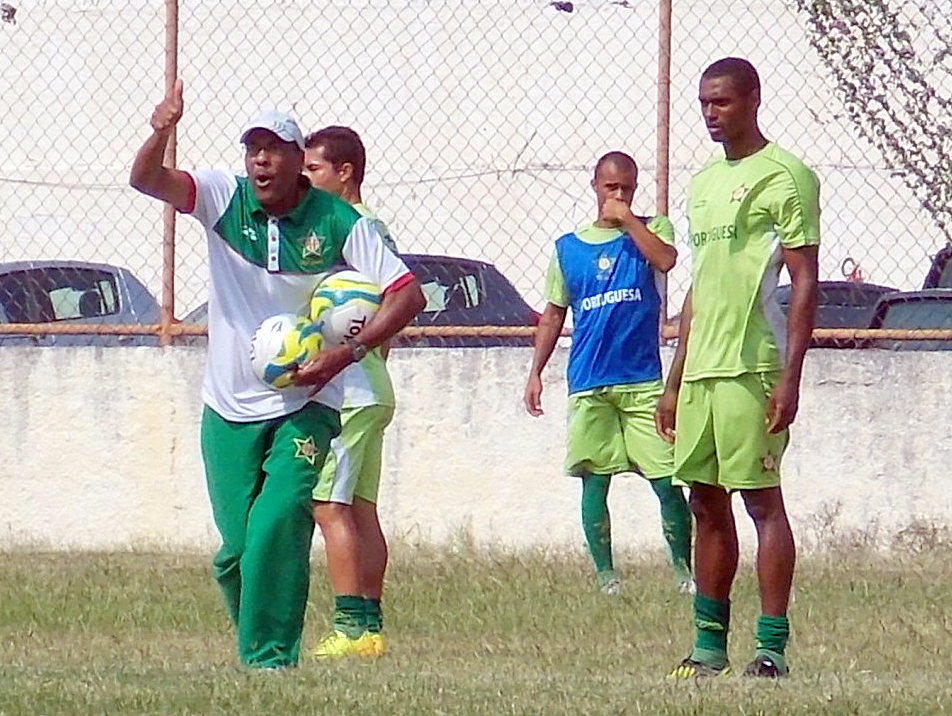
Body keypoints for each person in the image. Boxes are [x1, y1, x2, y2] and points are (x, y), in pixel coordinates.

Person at [129, 80, 425, 670]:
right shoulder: (221, 197)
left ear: (298, 162)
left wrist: (344, 354)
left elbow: (408, 294)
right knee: (238, 553)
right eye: (252, 149)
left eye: (275, 149)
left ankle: (270, 661)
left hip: (305, 404)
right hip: (227, 405)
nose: (261, 160)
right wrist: (161, 129)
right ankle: (257, 643)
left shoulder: (338, 221)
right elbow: (146, 180)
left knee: (278, 524)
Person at [656, 57, 820, 679]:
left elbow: (804, 280)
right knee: (703, 500)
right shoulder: (701, 184)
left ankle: (771, 648)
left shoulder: (787, 176)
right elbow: (699, 285)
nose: (710, 113)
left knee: (762, 501)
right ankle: (707, 647)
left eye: (721, 102)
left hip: (754, 366)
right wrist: (674, 380)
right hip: (701, 368)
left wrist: (791, 375)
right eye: (703, 103)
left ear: (753, 98)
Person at [523, 151, 694, 596]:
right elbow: (553, 313)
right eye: (611, 188)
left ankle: (683, 572)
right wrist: (536, 371)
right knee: (594, 479)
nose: (618, 196)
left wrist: (629, 221)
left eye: (627, 189)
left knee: (666, 478)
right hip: (589, 380)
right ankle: (606, 576)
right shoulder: (569, 248)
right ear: (595, 186)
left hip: (641, 381)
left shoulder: (653, 230)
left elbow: (667, 260)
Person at [302, 126, 400, 658]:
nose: (306, 181)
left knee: (328, 505)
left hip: (351, 393)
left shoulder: (355, 230)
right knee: (361, 508)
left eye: (313, 170)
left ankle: (350, 628)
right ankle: (372, 629)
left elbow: (383, 304)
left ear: (345, 172)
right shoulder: (372, 229)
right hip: (370, 386)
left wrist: (350, 349)